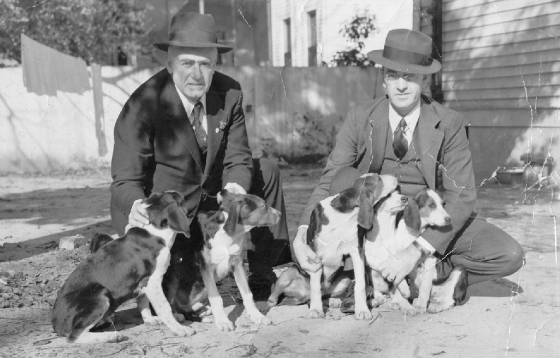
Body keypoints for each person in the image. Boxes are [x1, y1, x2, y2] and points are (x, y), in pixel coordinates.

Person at [292, 29, 524, 302]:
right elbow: (329, 179)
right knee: (343, 180)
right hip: (376, 222)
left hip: (427, 221)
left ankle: (425, 273)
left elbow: (463, 195)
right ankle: (374, 273)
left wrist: (415, 252)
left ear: (424, 80)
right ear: (384, 80)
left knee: (507, 255)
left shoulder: (449, 123)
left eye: (410, 76)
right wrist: (302, 233)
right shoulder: (360, 117)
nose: (401, 85)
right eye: (393, 75)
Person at [110, 7, 290, 298]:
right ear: (169, 64)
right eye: (187, 63)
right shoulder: (143, 105)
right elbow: (124, 181)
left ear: (216, 63)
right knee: (184, 296)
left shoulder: (229, 93)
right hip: (171, 216)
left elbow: (238, 157)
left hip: (211, 204)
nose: (196, 74)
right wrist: (137, 206)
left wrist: (235, 188)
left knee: (266, 170)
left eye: (205, 64)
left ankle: (266, 275)